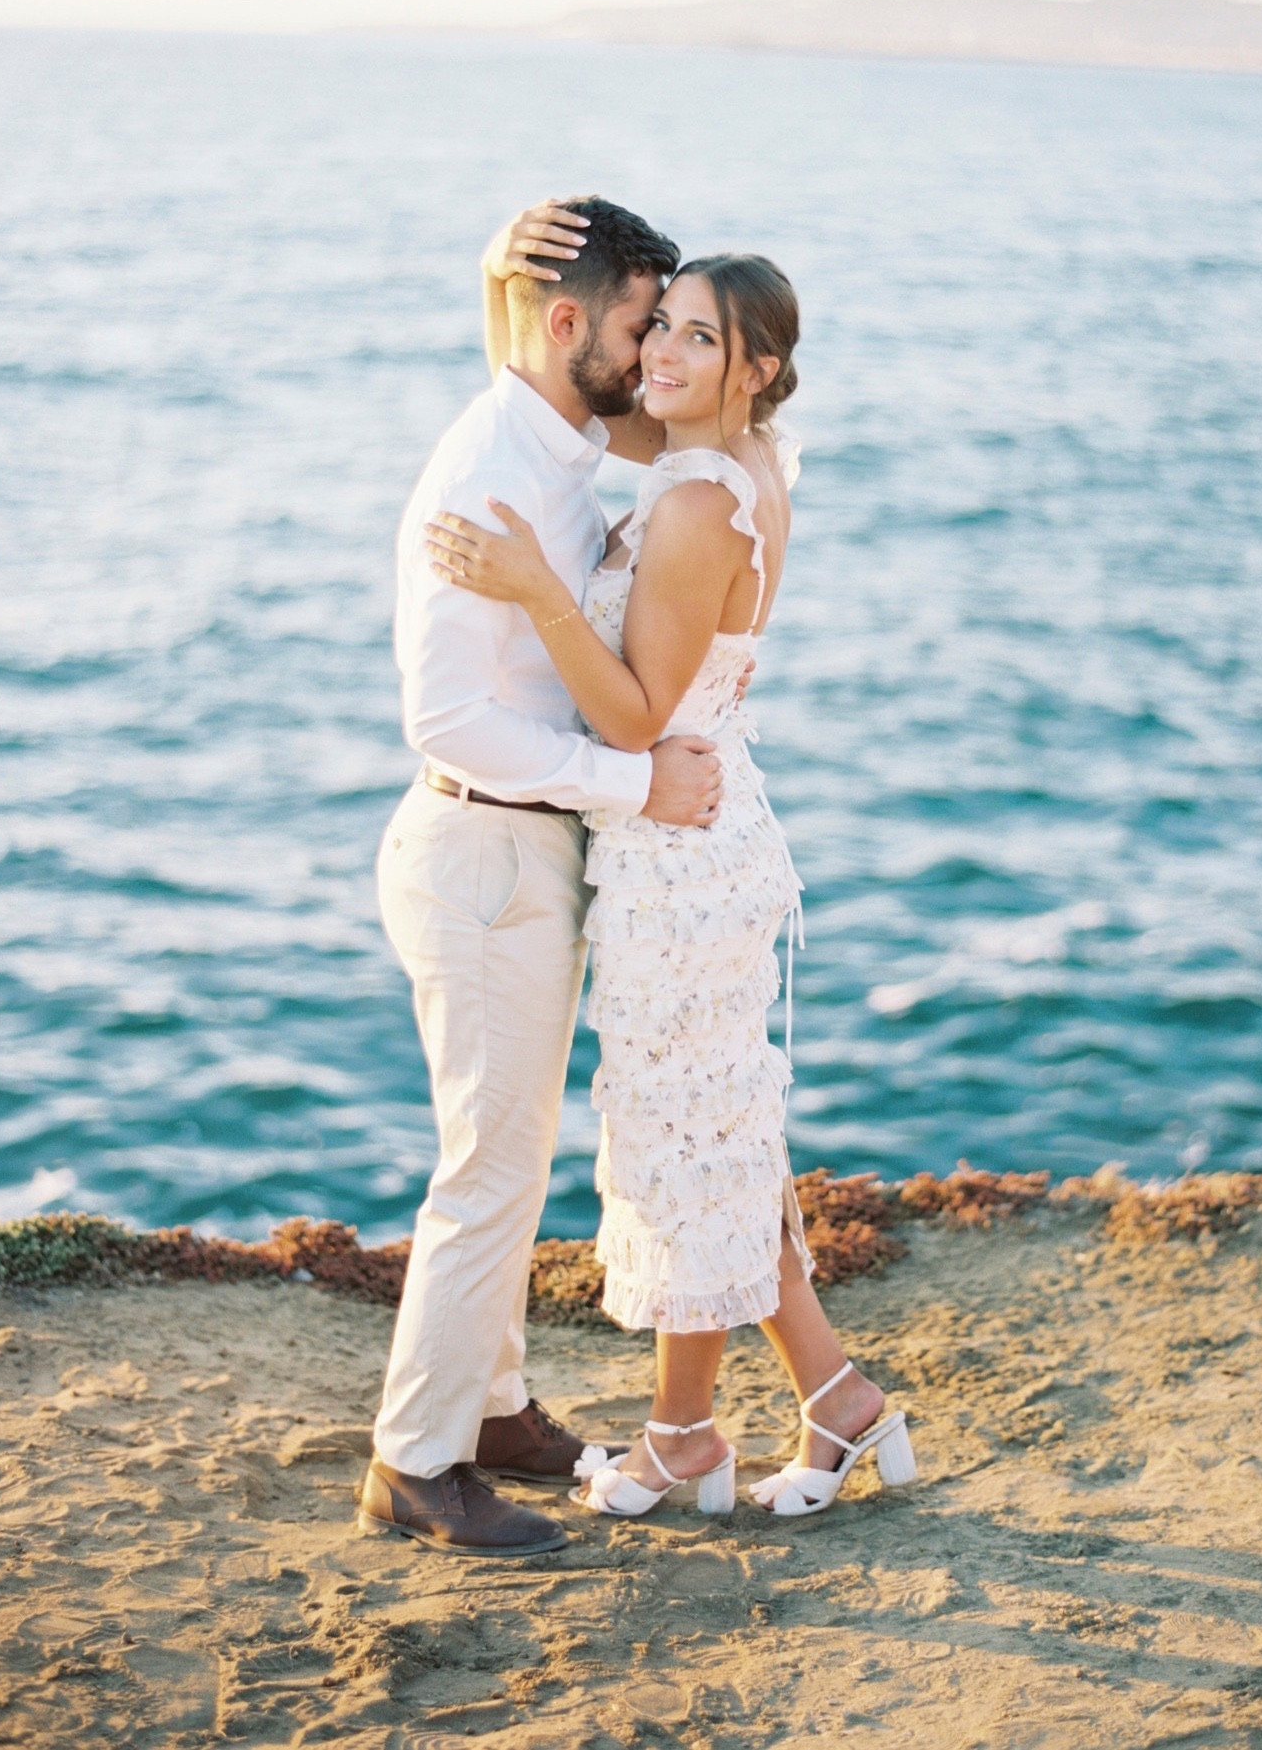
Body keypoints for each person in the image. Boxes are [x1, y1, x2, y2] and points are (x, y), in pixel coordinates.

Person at [425, 205, 917, 1520]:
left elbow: (635, 715)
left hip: (676, 838)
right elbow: (546, 401)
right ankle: (822, 1404)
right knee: (713, 1136)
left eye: (698, 335)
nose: (663, 351)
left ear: (757, 365)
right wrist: (500, 278)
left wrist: (535, 582)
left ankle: (692, 1430)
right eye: (659, 325)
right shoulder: (728, 457)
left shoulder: (699, 501)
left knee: (691, 1140)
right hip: (693, 833)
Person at [358, 198, 729, 1558]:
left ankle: (494, 1402)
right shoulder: (486, 478)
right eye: (637, 324)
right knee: (488, 1169)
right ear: (569, 322)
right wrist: (635, 785)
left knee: (514, 1157)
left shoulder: (556, 432)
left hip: (523, 847)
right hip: (479, 844)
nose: (649, 354)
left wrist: (486, 281)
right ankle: (414, 1462)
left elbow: (592, 388)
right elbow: (445, 720)